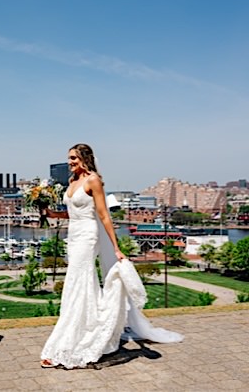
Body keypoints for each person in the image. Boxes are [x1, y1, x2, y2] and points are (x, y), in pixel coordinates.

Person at [39, 144, 182, 369]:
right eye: (68, 158)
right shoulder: (71, 182)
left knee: (78, 283)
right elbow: (73, 212)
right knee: (78, 283)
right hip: (73, 236)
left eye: (74, 158)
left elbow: (103, 215)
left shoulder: (93, 180)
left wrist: (116, 247)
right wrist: (51, 214)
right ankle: (86, 331)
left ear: (84, 158)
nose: (70, 162)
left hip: (88, 236)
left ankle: (69, 343)